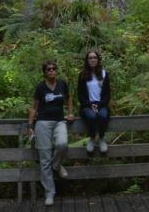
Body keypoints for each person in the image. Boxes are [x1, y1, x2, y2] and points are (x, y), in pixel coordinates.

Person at [28, 60, 74, 206]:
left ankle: (56, 165)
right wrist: (30, 125)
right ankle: (49, 193)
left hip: (60, 121)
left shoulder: (62, 84)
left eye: (54, 68)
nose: (52, 71)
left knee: (62, 144)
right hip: (42, 123)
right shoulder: (40, 87)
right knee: (44, 158)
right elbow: (34, 107)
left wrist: (70, 112)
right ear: (45, 72)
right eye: (48, 69)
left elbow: (69, 98)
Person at [77, 49, 110, 154]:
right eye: (90, 58)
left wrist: (100, 105)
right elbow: (80, 94)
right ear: (87, 60)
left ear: (98, 60)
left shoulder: (104, 74)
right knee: (91, 116)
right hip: (87, 105)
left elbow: (107, 93)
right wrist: (90, 105)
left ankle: (101, 139)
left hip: (101, 104)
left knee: (103, 115)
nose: (92, 59)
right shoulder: (82, 75)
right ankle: (91, 138)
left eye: (95, 57)